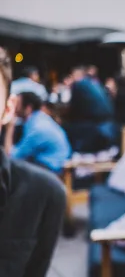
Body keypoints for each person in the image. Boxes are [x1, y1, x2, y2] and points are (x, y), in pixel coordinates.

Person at [0, 46, 66, 277]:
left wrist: (8, 132)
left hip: (51, 167)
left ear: (10, 109)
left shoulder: (44, 195)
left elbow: (14, 155)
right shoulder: (38, 122)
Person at [3, 92, 71, 173]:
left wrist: (10, 128)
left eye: (17, 105)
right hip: (56, 162)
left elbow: (11, 157)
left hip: (51, 167)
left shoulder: (36, 128)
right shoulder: (40, 119)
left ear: (28, 108)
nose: (13, 109)